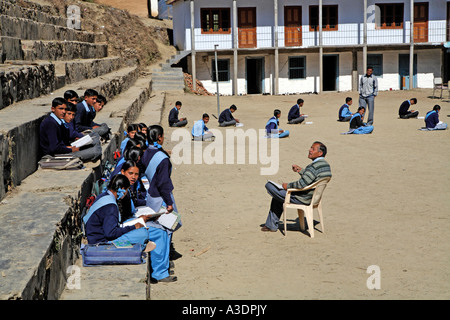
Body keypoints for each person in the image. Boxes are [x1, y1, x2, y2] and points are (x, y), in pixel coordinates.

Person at [261, 141, 332, 232]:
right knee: (277, 196)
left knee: (269, 186)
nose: (309, 150)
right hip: (314, 197)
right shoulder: (326, 165)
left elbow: (301, 184)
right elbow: (312, 179)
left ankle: (271, 225)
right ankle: (271, 225)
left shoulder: (314, 166)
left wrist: (287, 186)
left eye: (312, 149)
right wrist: (301, 171)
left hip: (302, 197)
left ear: (320, 153)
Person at [140, 125, 180, 282]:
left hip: (151, 196)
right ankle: (161, 271)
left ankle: (163, 264)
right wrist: (169, 202)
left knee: (166, 230)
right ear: (159, 137)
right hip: (161, 198)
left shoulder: (147, 152)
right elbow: (164, 183)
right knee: (164, 232)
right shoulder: (162, 158)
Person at [83, 174, 156, 253]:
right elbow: (110, 234)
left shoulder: (104, 195)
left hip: (95, 235)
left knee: (134, 222)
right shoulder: (111, 206)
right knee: (143, 233)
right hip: (100, 243)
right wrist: (133, 227)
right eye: (127, 190)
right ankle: (141, 246)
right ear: (123, 189)